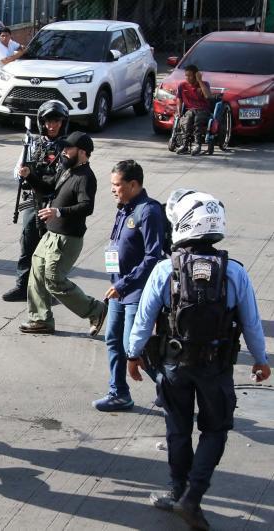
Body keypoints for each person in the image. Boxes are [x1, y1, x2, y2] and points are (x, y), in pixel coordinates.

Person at [126, 189, 270, 531]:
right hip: (216, 367)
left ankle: (178, 492)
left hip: (174, 366)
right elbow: (251, 322)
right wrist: (261, 360)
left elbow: (143, 320)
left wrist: (133, 355)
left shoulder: (165, 270)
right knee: (215, 430)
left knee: (178, 429)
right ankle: (192, 497)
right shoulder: (234, 272)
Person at [92, 160, 165, 412]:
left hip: (136, 291)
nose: (113, 189)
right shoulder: (124, 207)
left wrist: (124, 283)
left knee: (134, 347)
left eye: (117, 184)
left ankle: (170, 388)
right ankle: (119, 393)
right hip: (119, 291)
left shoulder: (149, 211)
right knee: (113, 340)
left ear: (133, 184)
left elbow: (153, 257)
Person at [19, 131, 107, 336]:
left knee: (54, 280)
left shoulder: (86, 177)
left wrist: (58, 211)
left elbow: (87, 207)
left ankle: (96, 310)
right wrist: (29, 176)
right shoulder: (67, 171)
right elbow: (49, 189)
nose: (64, 152)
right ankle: (40, 319)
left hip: (67, 239)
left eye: (69, 148)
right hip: (51, 235)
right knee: (37, 273)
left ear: (83, 152)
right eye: (64, 148)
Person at [3, 100, 69, 302]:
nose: (52, 125)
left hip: (54, 203)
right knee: (28, 245)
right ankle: (23, 286)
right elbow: (17, 173)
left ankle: (51, 290)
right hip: (33, 202)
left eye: (56, 121)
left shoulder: (68, 146)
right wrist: (23, 173)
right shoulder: (32, 144)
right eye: (48, 121)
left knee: (51, 252)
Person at [175, 65, 212, 156]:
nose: (188, 78)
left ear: (196, 75)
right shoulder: (182, 86)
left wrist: (199, 81)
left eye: (190, 76)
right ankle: (185, 144)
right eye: (186, 75)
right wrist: (179, 111)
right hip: (190, 110)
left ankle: (197, 144)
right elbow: (179, 99)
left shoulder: (205, 84)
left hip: (203, 110)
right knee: (186, 121)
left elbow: (207, 96)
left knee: (197, 121)